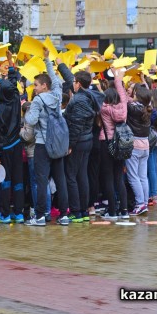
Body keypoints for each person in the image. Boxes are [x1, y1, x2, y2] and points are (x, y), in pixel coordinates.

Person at [25, 49, 70, 226]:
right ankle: (64, 215)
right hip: (58, 143)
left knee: (41, 181)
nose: (34, 88)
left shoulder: (38, 100)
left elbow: (31, 120)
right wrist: (47, 60)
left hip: (43, 145)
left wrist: (27, 111)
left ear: (44, 86)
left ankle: (41, 216)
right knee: (60, 179)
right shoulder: (57, 95)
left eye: (36, 85)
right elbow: (56, 80)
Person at [0, 52, 24, 224]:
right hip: (17, 144)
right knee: (18, 179)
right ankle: (18, 213)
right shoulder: (15, 99)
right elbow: (13, 83)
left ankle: (4, 213)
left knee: (5, 179)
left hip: (4, 148)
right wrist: (11, 64)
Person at [63, 70, 98, 223]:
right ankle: (83, 210)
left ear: (78, 84)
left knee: (71, 176)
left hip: (78, 142)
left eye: (74, 81)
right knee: (82, 175)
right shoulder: (90, 96)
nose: (72, 83)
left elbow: (76, 125)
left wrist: (70, 144)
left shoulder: (77, 100)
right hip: (88, 140)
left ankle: (76, 211)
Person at [98, 68, 129, 220]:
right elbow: (123, 96)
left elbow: (97, 99)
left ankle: (112, 211)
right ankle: (124, 210)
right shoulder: (123, 107)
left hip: (107, 143)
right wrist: (118, 79)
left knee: (108, 178)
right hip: (121, 144)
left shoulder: (104, 108)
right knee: (119, 177)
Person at [126, 85, 152, 215]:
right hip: (145, 145)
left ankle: (140, 204)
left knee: (133, 177)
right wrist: (143, 82)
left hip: (135, 145)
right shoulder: (148, 108)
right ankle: (144, 203)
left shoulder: (134, 108)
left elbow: (124, 98)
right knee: (143, 176)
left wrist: (118, 78)